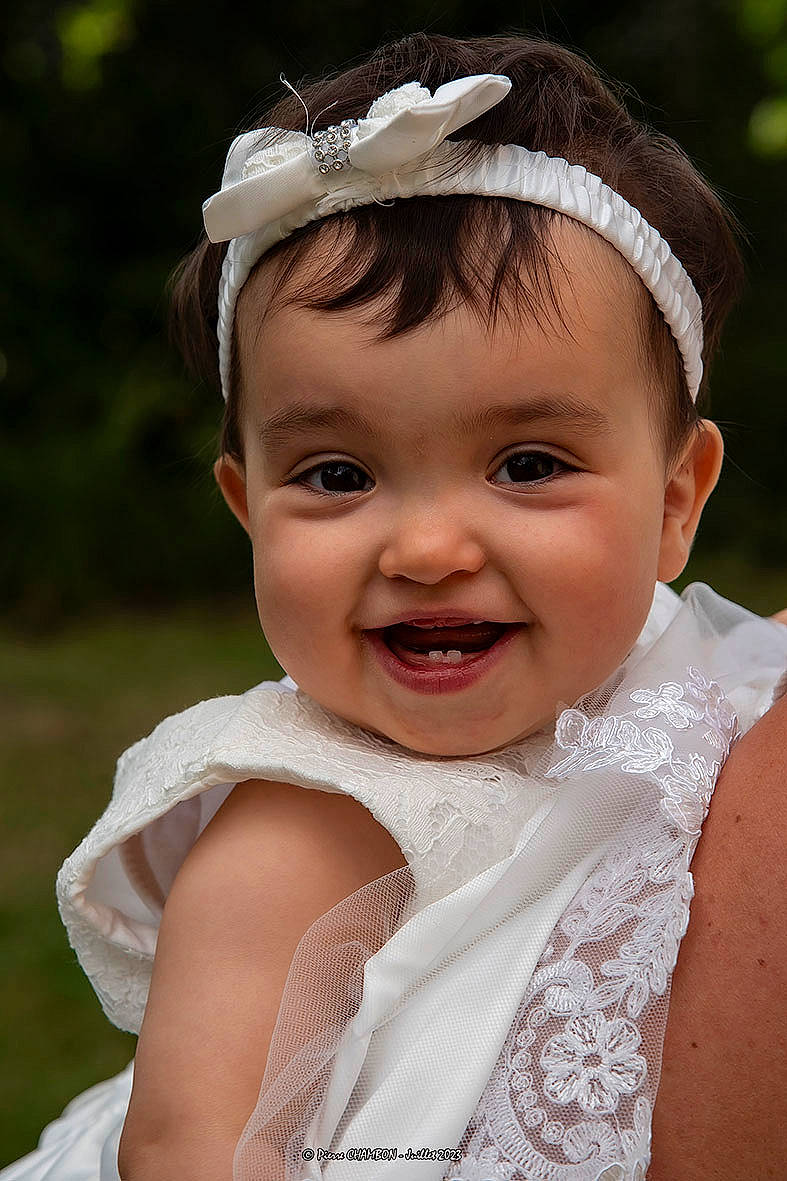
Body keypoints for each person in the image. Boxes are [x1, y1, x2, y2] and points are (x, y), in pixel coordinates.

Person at [3, 32, 786, 1181]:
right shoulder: (302, 820)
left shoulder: (693, 679)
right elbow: (188, 1148)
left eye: (527, 464)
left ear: (674, 503)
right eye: (337, 475)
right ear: (248, 509)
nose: (424, 549)